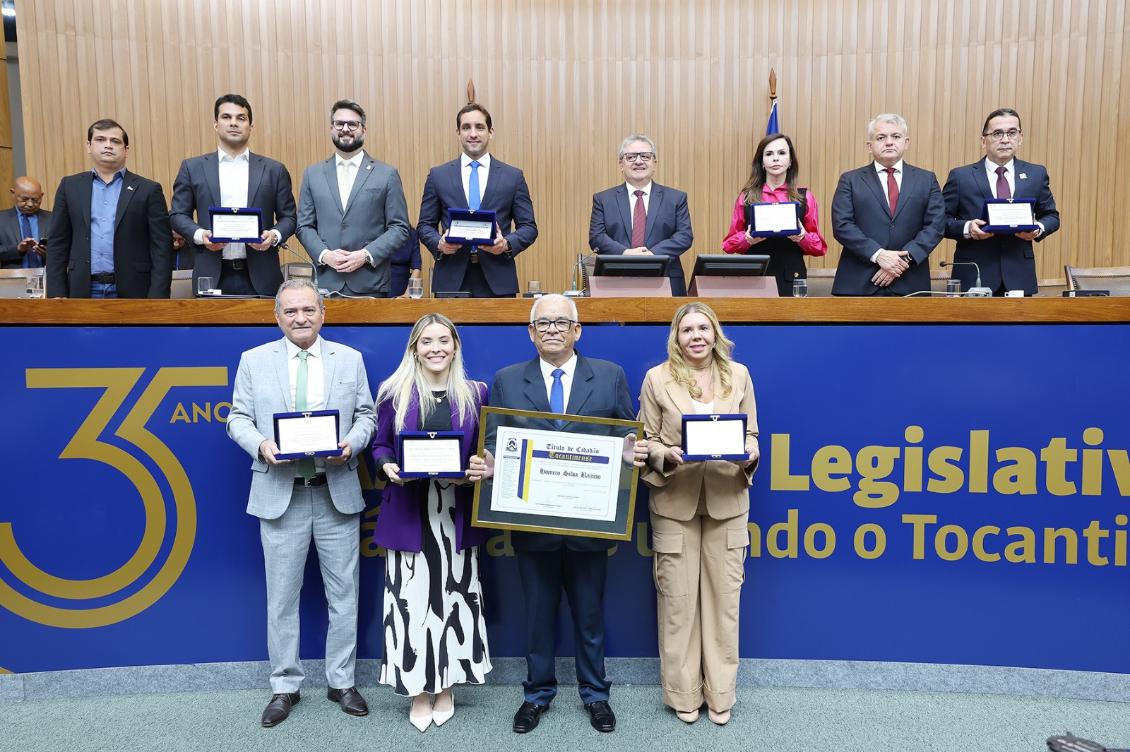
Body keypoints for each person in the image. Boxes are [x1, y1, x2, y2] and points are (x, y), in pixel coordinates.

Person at [469, 293, 648, 735]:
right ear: (531, 333)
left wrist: (631, 451)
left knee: (589, 614)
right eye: (543, 323)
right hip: (533, 524)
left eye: (560, 322)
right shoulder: (508, 379)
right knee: (538, 614)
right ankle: (537, 694)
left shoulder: (609, 377)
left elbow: (627, 433)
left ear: (577, 330)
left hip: (589, 522)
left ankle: (595, 695)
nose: (552, 329)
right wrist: (490, 464)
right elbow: (495, 442)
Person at [226, 279, 376, 728]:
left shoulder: (349, 360)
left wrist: (350, 445)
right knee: (282, 598)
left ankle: (342, 682)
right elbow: (237, 418)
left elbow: (367, 416)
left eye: (308, 310)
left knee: (344, 594)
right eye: (291, 312)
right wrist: (261, 446)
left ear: (322, 313)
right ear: (277, 317)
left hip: (335, 493)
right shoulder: (254, 361)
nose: (300, 318)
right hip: (281, 494)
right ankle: (284, 686)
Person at [637, 302, 759, 726]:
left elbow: (751, 433)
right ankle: (683, 694)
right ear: (676, 336)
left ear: (715, 333)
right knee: (679, 603)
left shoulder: (739, 375)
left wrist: (751, 452)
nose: (696, 336)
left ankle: (721, 695)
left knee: (725, 604)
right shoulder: (657, 378)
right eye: (687, 329)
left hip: (727, 501)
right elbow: (646, 438)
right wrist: (663, 453)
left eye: (703, 328)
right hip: (675, 502)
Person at [370, 313, 492, 731]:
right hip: (409, 511)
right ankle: (418, 689)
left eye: (444, 339)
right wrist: (387, 467)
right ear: (414, 348)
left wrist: (480, 466)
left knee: (453, 604)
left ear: (456, 345)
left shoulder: (476, 393)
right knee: (410, 605)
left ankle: (447, 687)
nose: (436, 347)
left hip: (454, 515)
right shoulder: (393, 392)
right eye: (427, 341)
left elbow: (485, 451)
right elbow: (380, 444)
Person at [171, 94, 297, 296]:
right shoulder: (192, 168)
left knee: (263, 329)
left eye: (241, 118)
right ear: (215, 125)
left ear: (250, 126)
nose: (233, 123)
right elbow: (177, 215)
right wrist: (201, 236)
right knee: (212, 329)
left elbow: (289, 217)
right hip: (211, 273)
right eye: (226, 117)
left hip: (262, 275)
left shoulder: (274, 170)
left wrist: (273, 236)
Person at [417, 103, 538, 297]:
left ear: (491, 132)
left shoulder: (512, 176)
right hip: (450, 280)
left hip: (498, 281)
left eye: (479, 127)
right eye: (466, 127)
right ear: (458, 133)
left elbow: (529, 227)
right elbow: (424, 226)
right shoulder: (438, 175)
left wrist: (506, 244)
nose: (473, 134)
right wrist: (439, 243)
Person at [296, 99, 411, 297]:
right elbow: (304, 226)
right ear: (332, 129)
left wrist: (365, 255)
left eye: (353, 124)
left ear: (363, 130)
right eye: (339, 124)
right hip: (326, 283)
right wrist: (325, 255)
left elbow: (400, 228)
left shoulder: (387, 174)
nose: (345, 129)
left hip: (371, 284)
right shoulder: (312, 174)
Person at [46, 119, 172, 298]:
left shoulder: (148, 189)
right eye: (100, 140)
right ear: (89, 146)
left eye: (115, 141)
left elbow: (162, 247)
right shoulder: (70, 186)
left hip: (135, 290)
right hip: (82, 288)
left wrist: (158, 296)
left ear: (126, 150)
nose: (108, 145)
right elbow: (57, 243)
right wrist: (56, 292)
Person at [943, 108, 1060, 296]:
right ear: (983, 140)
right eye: (997, 133)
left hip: (1019, 274)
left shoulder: (1035, 174)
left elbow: (1052, 216)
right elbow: (941, 221)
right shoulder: (960, 176)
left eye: (1012, 133)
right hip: (974, 274)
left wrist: (1038, 228)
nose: (1005, 139)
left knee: (1019, 327)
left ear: (1020, 138)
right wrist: (968, 228)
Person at [831, 113, 945, 296]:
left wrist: (902, 260)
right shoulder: (850, 180)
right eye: (881, 137)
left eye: (896, 136)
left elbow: (936, 226)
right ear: (870, 146)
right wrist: (878, 255)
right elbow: (842, 226)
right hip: (859, 283)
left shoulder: (927, 179)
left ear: (906, 142)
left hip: (911, 282)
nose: (889, 142)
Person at [721, 133, 827, 296]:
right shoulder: (747, 197)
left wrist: (802, 237)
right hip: (755, 278)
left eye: (782, 153)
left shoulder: (805, 197)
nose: (775, 159)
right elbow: (728, 245)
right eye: (769, 154)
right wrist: (747, 239)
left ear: (790, 161)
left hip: (792, 278)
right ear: (762, 162)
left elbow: (820, 247)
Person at [588, 135, 693, 296]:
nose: (638, 161)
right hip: (616, 281)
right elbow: (597, 237)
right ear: (621, 165)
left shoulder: (675, 198)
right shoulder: (603, 199)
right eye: (631, 157)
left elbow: (684, 236)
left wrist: (652, 255)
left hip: (665, 279)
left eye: (645, 156)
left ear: (654, 163)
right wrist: (625, 254)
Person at [0, 176, 50, 269]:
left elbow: (68, 250)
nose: (30, 204)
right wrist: (17, 249)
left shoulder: (53, 219)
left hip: (48, 279)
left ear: (41, 195)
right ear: (13, 193)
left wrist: (50, 253)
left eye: (35, 200)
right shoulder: (1, 219)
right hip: (12, 280)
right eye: (24, 199)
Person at [389, 228, 422, 297]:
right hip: (378, 289)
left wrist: (406, 295)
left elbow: (417, 268)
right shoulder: (378, 230)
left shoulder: (411, 233)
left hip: (403, 289)